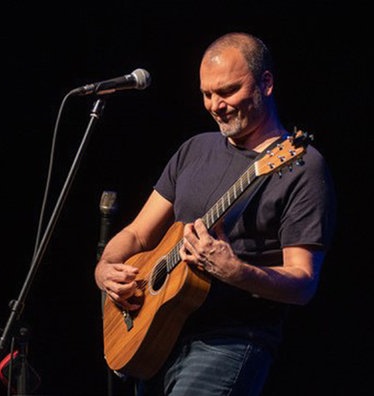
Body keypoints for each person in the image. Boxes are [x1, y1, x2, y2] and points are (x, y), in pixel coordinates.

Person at [94, 31, 337, 396]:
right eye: (207, 94)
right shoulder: (194, 149)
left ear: (266, 83)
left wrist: (235, 271)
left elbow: (303, 282)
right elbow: (137, 235)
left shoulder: (302, 167)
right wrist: (104, 268)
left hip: (231, 341)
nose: (216, 105)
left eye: (228, 92)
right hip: (156, 334)